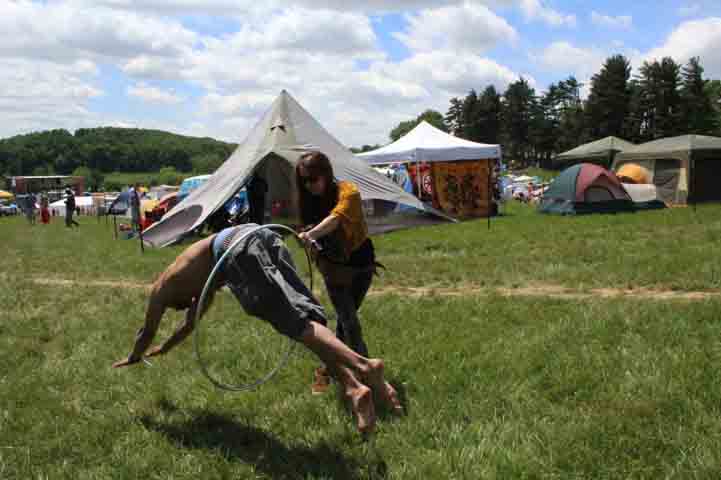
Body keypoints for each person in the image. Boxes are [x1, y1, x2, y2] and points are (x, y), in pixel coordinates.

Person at [111, 224, 401, 433]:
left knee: (295, 322)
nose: (187, 306)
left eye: (183, 305)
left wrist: (135, 356)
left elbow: (145, 332)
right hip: (261, 235)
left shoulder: (161, 288)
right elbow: (190, 325)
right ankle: (354, 389)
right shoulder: (200, 286)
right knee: (309, 317)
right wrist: (165, 348)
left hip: (236, 249)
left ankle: (364, 365)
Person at [295, 151, 379, 395]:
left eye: (312, 179)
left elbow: (335, 219)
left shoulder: (348, 192)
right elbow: (314, 233)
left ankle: (325, 371)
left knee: (344, 322)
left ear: (325, 173)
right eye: (304, 181)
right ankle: (369, 378)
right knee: (351, 324)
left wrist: (311, 234)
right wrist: (310, 243)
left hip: (362, 264)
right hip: (333, 269)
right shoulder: (308, 201)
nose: (309, 185)